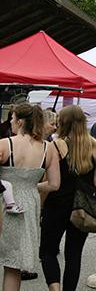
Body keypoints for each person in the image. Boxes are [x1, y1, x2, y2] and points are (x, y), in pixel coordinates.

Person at [40, 105, 96, 291]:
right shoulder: (95, 145)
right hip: (82, 207)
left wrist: (41, 207)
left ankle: (55, 288)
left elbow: (48, 180)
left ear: (62, 122)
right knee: (74, 255)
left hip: (56, 204)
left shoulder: (56, 145)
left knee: (48, 251)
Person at [0, 103, 60, 291]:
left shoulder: (5, 143)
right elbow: (54, 184)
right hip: (28, 203)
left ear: (19, 121)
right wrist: (30, 185)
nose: (10, 121)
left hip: (3, 200)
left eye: (12, 118)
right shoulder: (48, 148)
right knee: (13, 265)